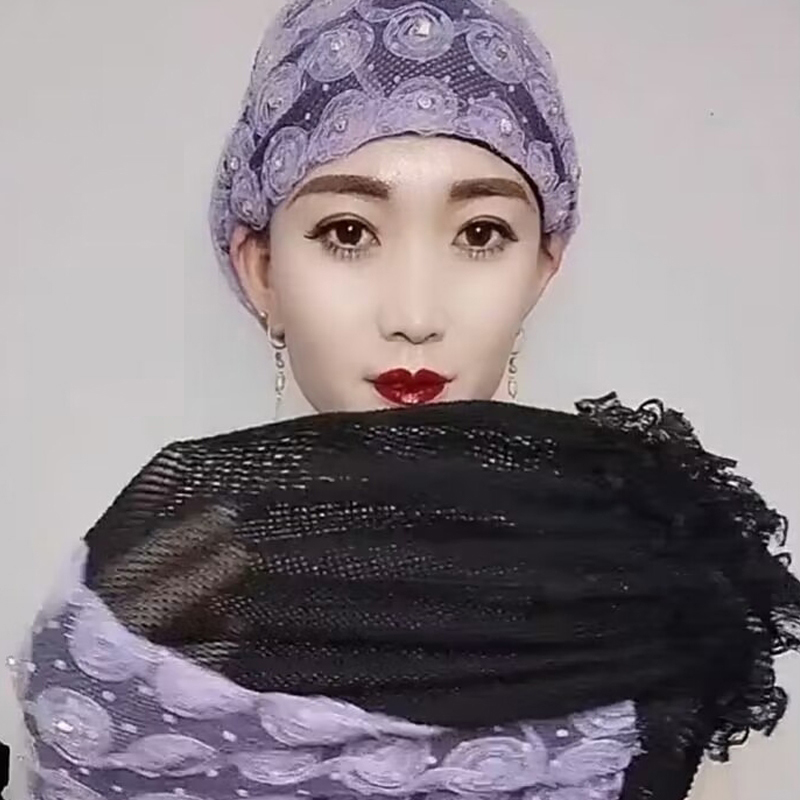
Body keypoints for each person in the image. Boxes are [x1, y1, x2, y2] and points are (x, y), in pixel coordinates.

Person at [9, 1, 799, 799]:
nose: (415, 316)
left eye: (481, 234)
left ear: (541, 269)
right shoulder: (144, 605)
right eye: (348, 233)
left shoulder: (655, 574)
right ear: (263, 271)